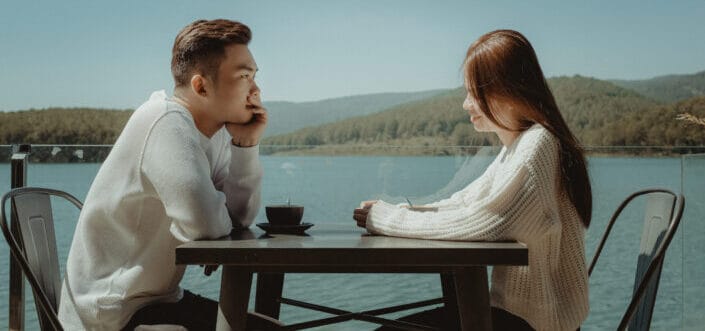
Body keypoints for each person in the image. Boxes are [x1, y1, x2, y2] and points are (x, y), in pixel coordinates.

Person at [353, 29, 591, 331]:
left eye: (473, 93)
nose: (466, 104)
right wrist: (402, 211)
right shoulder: (518, 146)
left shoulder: (538, 144)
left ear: (506, 89)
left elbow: (484, 222)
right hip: (514, 318)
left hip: (531, 326)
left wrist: (386, 218)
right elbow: (464, 204)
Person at [58, 19, 276, 330]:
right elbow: (206, 225)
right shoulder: (165, 120)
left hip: (160, 301)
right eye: (244, 76)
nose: (256, 90)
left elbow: (237, 219)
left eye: (254, 76)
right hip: (111, 314)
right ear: (201, 86)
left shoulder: (216, 135)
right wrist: (206, 223)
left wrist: (245, 144)